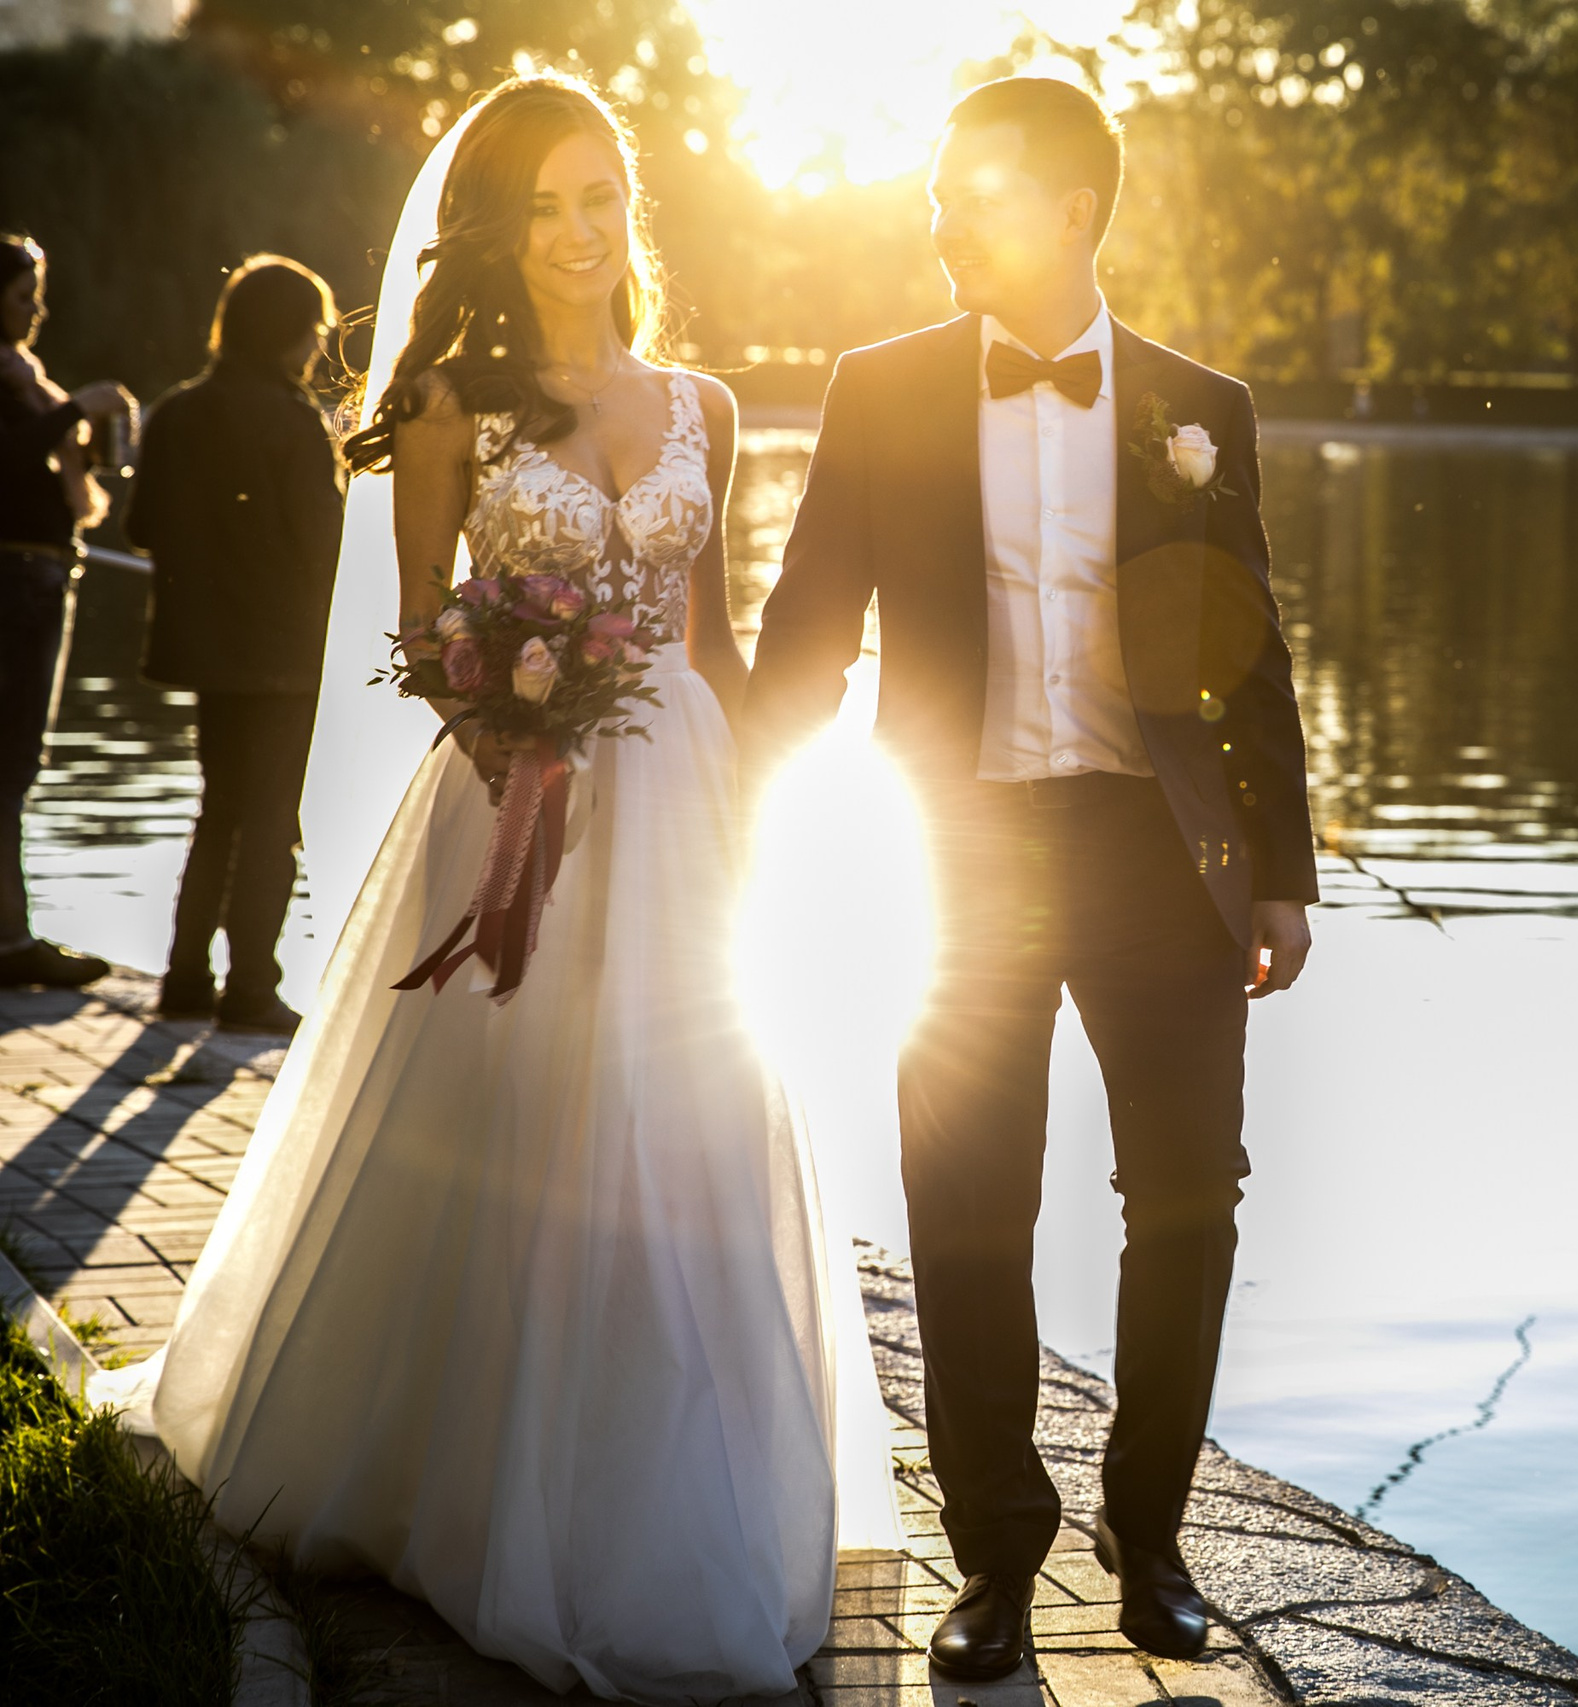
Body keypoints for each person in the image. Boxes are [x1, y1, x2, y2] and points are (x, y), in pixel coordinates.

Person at [120, 77, 898, 1701]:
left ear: (633, 211)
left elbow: (716, 635)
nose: (578, 229)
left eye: (601, 194)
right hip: (512, 800)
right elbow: (424, 631)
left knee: (685, 1139)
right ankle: (472, 1492)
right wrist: (517, 752)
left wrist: (760, 800)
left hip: (684, 806)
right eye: (543, 203)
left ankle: (683, 1498)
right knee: (520, 1148)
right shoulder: (449, 404)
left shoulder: (705, 403)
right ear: (499, 224)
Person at [749, 77, 1319, 1678]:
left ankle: (1152, 1527)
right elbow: (808, 623)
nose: (939, 217)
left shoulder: (1205, 403)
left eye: (972, 191)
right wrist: (727, 800)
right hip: (961, 854)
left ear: (1074, 209)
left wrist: (1283, 868)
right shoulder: (882, 388)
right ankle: (996, 1548)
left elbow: (1247, 647)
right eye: (933, 190)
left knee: (1190, 1205)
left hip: (1162, 854)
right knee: (966, 1206)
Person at [127, 255, 346, 1034]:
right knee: (272, 822)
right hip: (286, 653)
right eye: (314, 331)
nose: (318, 346)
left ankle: (185, 978)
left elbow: (140, 527)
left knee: (217, 810)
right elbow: (327, 546)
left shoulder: (177, 412)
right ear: (289, 333)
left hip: (208, 653)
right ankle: (252, 986)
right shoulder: (293, 421)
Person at [0, 234, 133, 988]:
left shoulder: (24, 382)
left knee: (15, 760)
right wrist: (76, 410)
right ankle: (10, 939)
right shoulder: (11, 387)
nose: (38, 310)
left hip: (39, 575)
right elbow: (12, 462)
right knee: (10, 756)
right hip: (16, 580)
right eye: (24, 296)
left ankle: (11, 927)